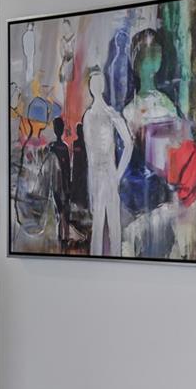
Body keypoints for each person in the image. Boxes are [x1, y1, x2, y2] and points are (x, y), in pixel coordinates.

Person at [82, 68, 133, 257]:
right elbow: (89, 155)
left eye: (98, 82)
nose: (95, 86)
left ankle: (114, 261)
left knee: (111, 223)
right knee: (101, 223)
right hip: (99, 174)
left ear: (101, 86)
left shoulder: (110, 114)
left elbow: (128, 144)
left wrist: (117, 174)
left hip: (107, 174)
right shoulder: (89, 116)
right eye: (93, 83)